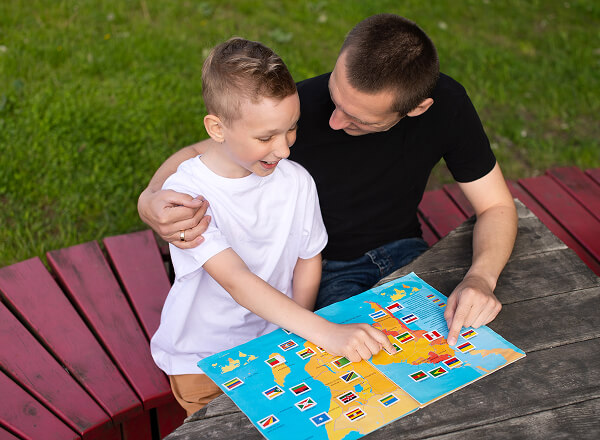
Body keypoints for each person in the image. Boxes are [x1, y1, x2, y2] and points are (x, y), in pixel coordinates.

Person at [139, 14, 517, 351]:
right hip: (325, 267)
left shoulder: (448, 106)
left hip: (406, 249)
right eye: (335, 96)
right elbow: (201, 151)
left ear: (416, 109)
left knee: (466, 341)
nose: (334, 121)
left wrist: (481, 278)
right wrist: (150, 199)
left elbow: (496, 206)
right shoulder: (293, 111)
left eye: (359, 119)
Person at [150, 37, 393, 416]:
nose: (284, 150)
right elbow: (236, 279)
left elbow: (308, 259)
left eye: (291, 129)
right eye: (266, 137)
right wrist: (320, 330)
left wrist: (293, 334)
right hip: (201, 360)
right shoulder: (188, 194)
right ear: (216, 128)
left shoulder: (296, 181)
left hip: (273, 344)